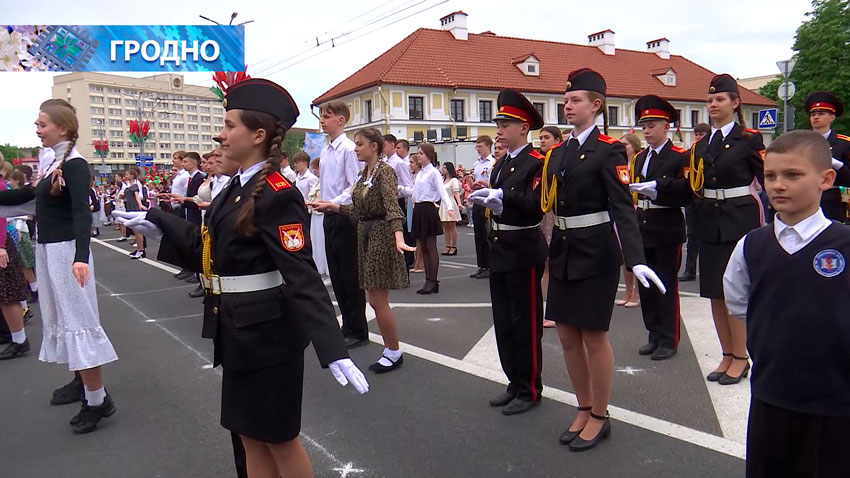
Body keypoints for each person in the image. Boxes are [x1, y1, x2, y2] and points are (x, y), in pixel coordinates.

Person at [115, 78, 369, 477]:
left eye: (230, 124)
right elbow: (215, 251)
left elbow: (301, 274)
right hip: (235, 328)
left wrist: (332, 346)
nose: (221, 133)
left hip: (269, 334)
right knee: (248, 435)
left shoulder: (277, 192)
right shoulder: (235, 188)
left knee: (279, 440)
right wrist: (158, 221)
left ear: (258, 135)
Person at [540, 68, 664, 451]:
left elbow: (622, 206)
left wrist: (636, 257)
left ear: (596, 105)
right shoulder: (559, 151)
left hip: (595, 249)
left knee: (593, 335)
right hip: (563, 245)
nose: (568, 105)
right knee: (565, 335)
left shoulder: (609, 149)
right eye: (566, 100)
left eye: (576, 100)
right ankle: (583, 405)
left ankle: (600, 415)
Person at [722, 130, 849, 478]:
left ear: (826, 179)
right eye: (770, 176)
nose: (778, 185)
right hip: (772, 396)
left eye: (793, 175)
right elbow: (740, 304)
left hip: (836, 404)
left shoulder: (844, 244)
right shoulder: (751, 246)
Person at [0, 98, 119, 433]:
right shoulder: (52, 160)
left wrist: (81, 256)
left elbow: (83, 212)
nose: (37, 129)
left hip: (68, 252)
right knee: (64, 319)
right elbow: (27, 196)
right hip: (50, 249)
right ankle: (81, 381)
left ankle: (98, 401)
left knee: (80, 321)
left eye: (42, 124)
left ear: (62, 128)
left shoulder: (76, 164)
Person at [468, 89, 548, 416]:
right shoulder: (501, 164)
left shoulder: (537, 162)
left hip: (523, 247)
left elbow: (535, 205)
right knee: (503, 321)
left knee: (525, 322)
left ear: (524, 127)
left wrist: (504, 198)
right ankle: (513, 381)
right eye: (499, 122)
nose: (500, 129)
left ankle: (529, 388)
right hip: (500, 247)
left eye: (507, 123)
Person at [311, 127, 415, 373]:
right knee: (373, 298)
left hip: (379, 236)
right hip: (365, 234)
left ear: (374, 147)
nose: (355, 148)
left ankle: (393, 351)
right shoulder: (364, 174)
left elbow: (392, 206)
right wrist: (332, 206)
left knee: (378, 300)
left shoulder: (385, 172)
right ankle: (391, 349)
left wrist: (398, 236)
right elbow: (357, 211)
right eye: (356, 143)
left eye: (360, 144)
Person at [689, 74, 765, 385]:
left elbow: (766, 177)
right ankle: (725, 354)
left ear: (735, 103)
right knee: (714, 292)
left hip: (739, 220)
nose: (713, 104)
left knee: (735, 292)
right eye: (709, 100)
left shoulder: (750, 139)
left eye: (719, 99)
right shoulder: (702, 144)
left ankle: (741, 356)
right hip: (709, 220)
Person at [628, 95, 692, 360]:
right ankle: (653, 333)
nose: (647, 130)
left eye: (652, 125)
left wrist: (659, 189)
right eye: (644, 125)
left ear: (667, 127)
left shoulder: (679, 155)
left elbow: (689, 190)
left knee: (666, 285)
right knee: (647, 286)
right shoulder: (640, 157)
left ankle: (669, 338)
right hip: (644, 225)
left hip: (666, 225)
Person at [318, 101, 369, 348]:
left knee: (350, 274)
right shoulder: (327, 150)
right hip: (329, 214)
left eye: (327, 116)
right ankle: (347, 323)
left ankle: (358, 329)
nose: (322, 120)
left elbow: (355, 186)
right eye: (321, 116)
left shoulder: (349, 149)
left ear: (341, 120)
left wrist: (332, 202)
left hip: (344, 214)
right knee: (336, 274)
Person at [398, 143, 454, 294]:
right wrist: (399, 188)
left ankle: (433, 281)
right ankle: (428, 281)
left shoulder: (433, 173)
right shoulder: (420, 173)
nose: (419, 156)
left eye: (421, 153)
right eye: (418, 153)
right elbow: (414, 193)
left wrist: (449, 207)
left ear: (429, 155)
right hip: (419, 209)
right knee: (422, 246)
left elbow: (442, 192)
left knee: (430, 246)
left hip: (428, 208)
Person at [804, 91, 850, 222]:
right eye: (813, 114)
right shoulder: (801, 141)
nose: (815, 117)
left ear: (832, 117)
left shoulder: (845, 144)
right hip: (804, 197)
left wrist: (838, 165)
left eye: (821, 114)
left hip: (830, 201)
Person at [0, 160, 30, 361]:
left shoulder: (1, 185)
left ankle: (19, 340)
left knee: (7, 294)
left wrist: (1, 246)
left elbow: (1, 216)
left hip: (1, 244)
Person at [538, 126, 563, 329]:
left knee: (555, 264)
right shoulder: (541, 161)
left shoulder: (560, 159)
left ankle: (555, 310)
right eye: (540, 138)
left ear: (557, 139)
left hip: (557, 215)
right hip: (544, 215)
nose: (542, 141)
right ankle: (548, 308)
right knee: (545, 264)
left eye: (546, 137)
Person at [680, 123, 711, 281]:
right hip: (693, 199)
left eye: (701, 135)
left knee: (708, 237)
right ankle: (690, 270)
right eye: (696, 134)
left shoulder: (710, 150)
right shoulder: (690, 153)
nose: (698, 138)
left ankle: (706, 269)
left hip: (707, 198)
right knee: (692, 236)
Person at [616, 133, 642, 308]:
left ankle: (637, 293)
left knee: (635, 251)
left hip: (636, 207)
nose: (622, 147)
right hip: (620, 210)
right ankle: (628, 289)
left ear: (634, 146)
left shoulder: (638, 163)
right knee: (623, 254)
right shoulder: (618, 165)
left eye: (625, 144)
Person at [387, 136, 415, 269]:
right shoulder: (386, 161)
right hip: (388, 202)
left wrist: (396, 188)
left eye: (384, 144)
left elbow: (409, 187)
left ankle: (406, 264)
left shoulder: (399, 163)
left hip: (398, 201)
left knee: (401, 234)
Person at [469, 136, 495, 279]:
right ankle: (482, 265)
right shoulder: (477, 163)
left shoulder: (492, 163)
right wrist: (473, 184)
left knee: (487, 235)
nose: (478, 149)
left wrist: (483, 184)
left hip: (487, 200)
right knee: (478, 235)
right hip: (477, 199)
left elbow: (492, 182)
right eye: (477, 147)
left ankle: (490, 265)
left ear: (488, 146)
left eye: (481, 147)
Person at [307, 158, 329, 278]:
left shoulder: (323, 181)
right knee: (315, 242)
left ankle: (326, 271)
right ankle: (319, 269)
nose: (314, 171)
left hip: (322, 213)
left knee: (322, 242)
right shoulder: (317, 182)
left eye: (316, 168)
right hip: (315, 214)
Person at [121, 169, 147, 259]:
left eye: (127, 174)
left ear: (132, 176)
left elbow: (137, 196)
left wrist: (140, 204)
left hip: (134, 209)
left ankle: (141, 250)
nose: (126, 175)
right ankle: (139, 249)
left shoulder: (134, 186)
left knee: (138, 231)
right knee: (135, 231)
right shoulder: (129, 186)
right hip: (130, 208)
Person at [439, 161, 462, 256]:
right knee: (445, 226)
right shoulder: (443, 180)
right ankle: (447, 246)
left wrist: (459, 203)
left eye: (444, 167)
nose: (442, 169)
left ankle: (454, 246)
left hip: (451, 203)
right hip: (444, 204)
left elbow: (456, 193)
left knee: (452, 226)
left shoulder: (454, 180)